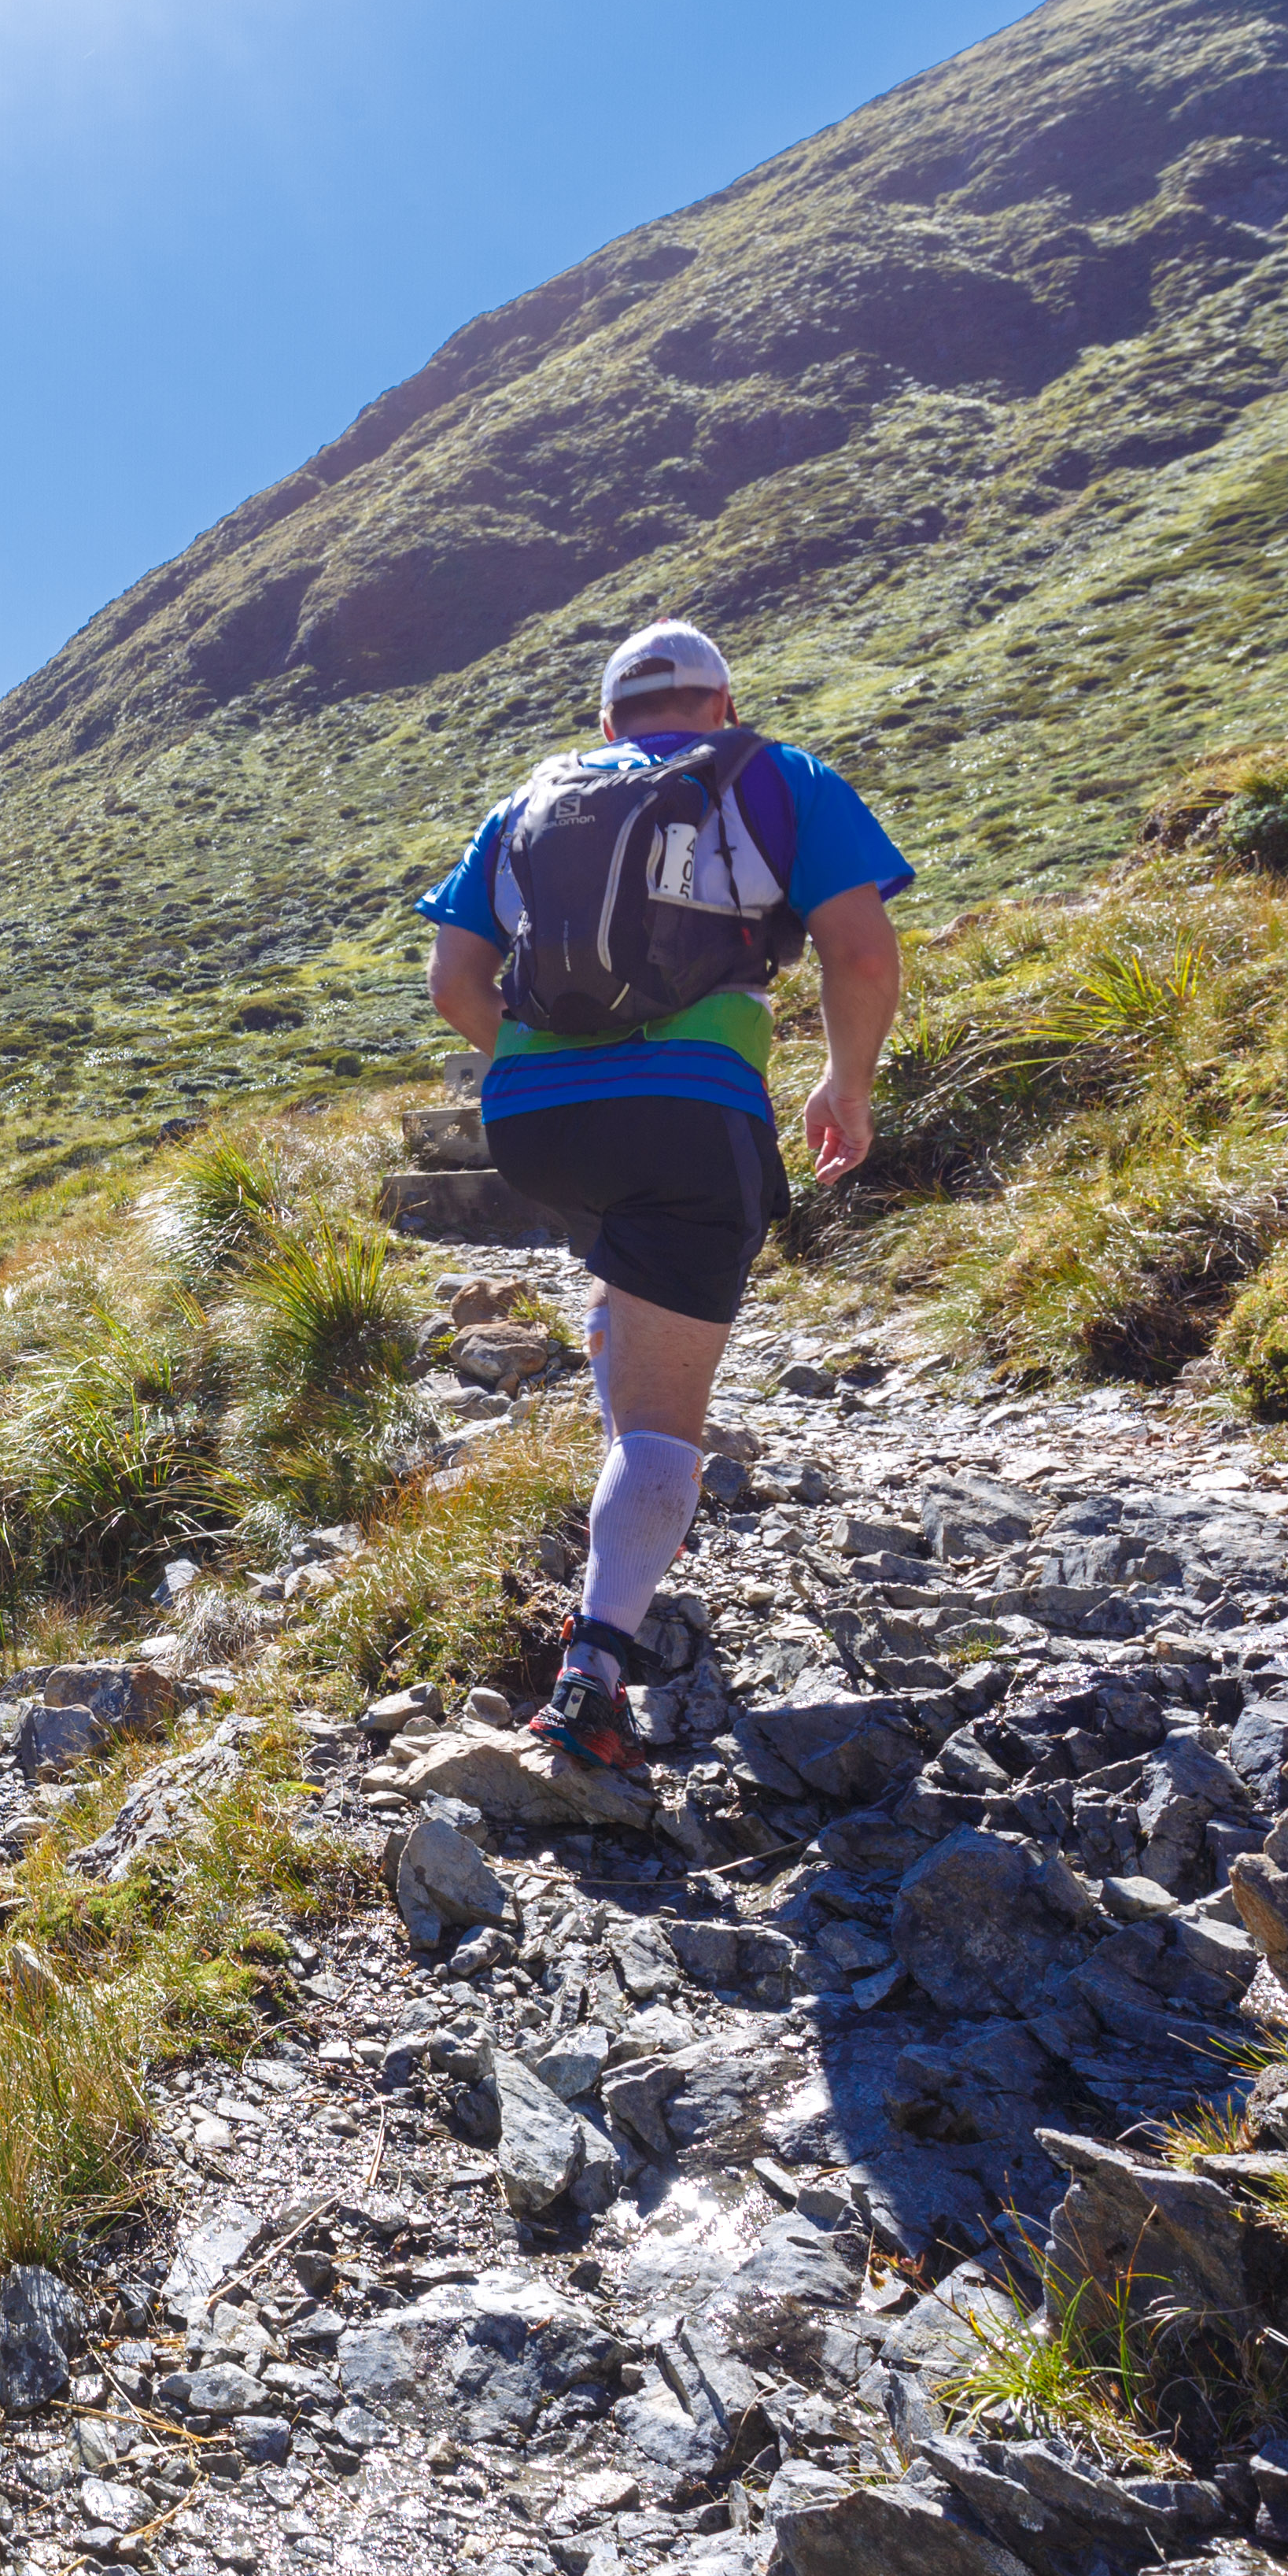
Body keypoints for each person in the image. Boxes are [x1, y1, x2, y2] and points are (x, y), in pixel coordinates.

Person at [411, 617, 912, 1772]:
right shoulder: (779, 775)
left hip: (534, 1121)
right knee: (659, 1425)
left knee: (624, 1264)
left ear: (607, 723)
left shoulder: (534, 796)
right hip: (691, 1112)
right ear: (722, 708)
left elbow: (454, 979)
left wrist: (546, 1060)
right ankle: (593, 1676)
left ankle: (622, 1511)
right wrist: (846, 1083)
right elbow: (863, 953)